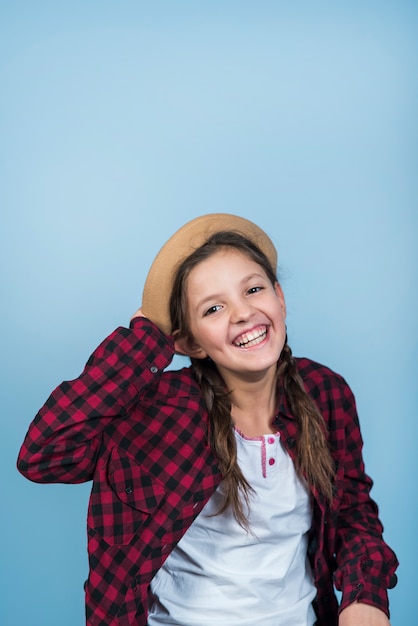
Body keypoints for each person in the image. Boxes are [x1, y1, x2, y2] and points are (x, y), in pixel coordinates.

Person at [17, 213, 398, 626]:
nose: (242, 312)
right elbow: (44, 455)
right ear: (188, 341)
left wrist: (366, 596)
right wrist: (145, 340)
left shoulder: (325, 391)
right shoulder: (158, 411)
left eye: (253, 289)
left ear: (280, 298)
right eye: (214, 308)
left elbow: (353, 512)